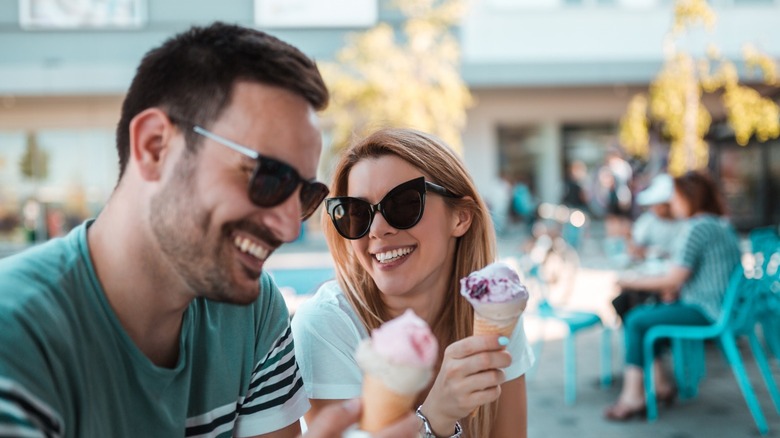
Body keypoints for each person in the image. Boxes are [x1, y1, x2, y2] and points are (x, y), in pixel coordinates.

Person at [0, 23, 418, 438]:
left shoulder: (252, 311)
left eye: (305, 195)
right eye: (268, 177)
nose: (289, 227)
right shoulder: (16, 336)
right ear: (155, 146)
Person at [292, 128, 535, 438]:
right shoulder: (326, 325)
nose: (377, 230)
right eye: (357, 213)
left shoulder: (495, 311)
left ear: (460, 217)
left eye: (403, 204)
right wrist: (435, 417)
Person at [604, 170, 741, 421]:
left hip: (706, 310)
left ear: (690, 198)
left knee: (636, 318)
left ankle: (634, 395)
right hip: (722, 306)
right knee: (645, 314)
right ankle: (660, 384)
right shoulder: (718, 223)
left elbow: (674, 277)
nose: (673, 203)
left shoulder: (698, 226)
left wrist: (631, 280)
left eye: (676, 197)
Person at [611, 173, 684, 322]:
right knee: (624, 300)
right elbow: (634, 248)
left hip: (673, 282)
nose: (655, 208)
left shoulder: (686, 223)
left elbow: (677, 275)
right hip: (657, 275)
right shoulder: (649, 221)